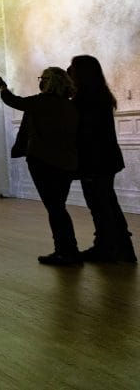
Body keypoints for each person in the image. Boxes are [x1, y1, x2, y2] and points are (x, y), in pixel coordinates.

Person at [0, 67, 80, 266]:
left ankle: (66, 251)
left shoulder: (41, 102)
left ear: (50, 82)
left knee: (55, 208)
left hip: (43, 162)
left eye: (43, 78)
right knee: (58, 207)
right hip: (67, 163)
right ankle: (68, 250)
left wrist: (3, 88)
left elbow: (15, 102)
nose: (40, 81)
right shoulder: (70, 106)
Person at [68, 55, 136, 263]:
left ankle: (107, 248)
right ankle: (122, 249)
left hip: (94, 161)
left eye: (73, 68)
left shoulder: (85, 99)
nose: (69, 71)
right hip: (106, 159)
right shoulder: (100, 96)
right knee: (108, 204)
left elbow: (85, 134)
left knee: (100, 206)